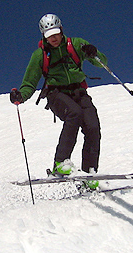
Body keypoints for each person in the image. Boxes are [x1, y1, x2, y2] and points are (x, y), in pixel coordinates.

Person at [10, 13, 108, 184]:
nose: (53, 38)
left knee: (93, 127)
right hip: (56, 94)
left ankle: (89, 173)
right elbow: (29, 82)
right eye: (49, 35)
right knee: (74, 113)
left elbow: (102, 63)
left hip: (79, 92)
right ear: (44, 36)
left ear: (61, 30)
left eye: (55, 33)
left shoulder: (76, 44)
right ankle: (60, 163)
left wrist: (94, 53)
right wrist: (21, 96)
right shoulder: (40, 55)